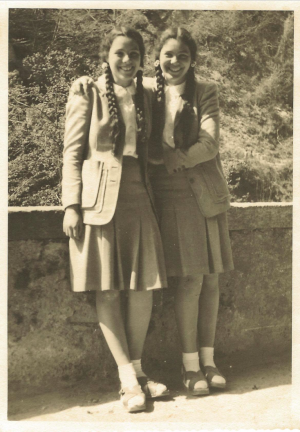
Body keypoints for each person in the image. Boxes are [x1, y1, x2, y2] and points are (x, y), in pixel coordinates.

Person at [70, 27, 234, 397]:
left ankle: (204, 363)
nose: (174, 62)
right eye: (167, 55)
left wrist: (178, 159)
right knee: (188, 280)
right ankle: (181, 368)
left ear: (193, 60)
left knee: (206, 280)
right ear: (156, 59)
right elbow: (109, 86)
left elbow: (210, 141)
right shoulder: (143, 89)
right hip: (156, 194)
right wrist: (84, 79)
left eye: (183, 56)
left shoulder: (202, 90)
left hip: (194, 192)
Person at [62, 27, 169, 413]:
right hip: (99, 200)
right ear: (106, 54)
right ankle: (127, 379)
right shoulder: (86, 91)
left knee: (143, 286)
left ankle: (138, 372)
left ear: (142, 59)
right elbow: (73, 152)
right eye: (120, 53)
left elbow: (182, 85)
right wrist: (71, 204)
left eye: (135, 54)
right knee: (107, 289)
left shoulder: (149, 93)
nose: (127, 60)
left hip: (140, 193)